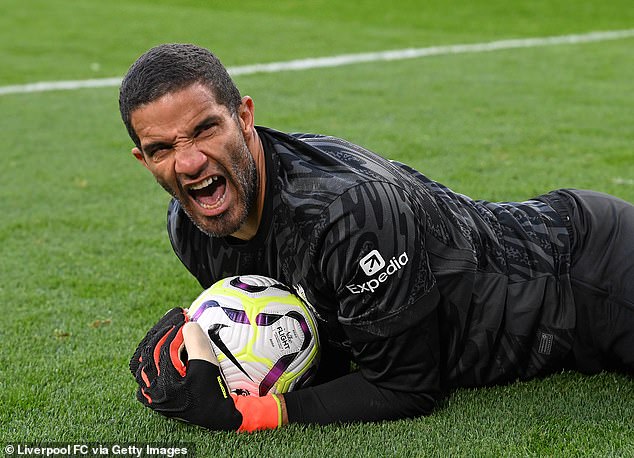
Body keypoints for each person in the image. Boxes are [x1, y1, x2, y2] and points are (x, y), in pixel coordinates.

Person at [120, 43, 634, 433]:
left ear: (246, 119)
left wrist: (251, 413)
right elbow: (323, 341)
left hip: (586, 270)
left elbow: (407, 386)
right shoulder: (190, 225)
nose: (188, 162)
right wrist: (211, 351)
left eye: (206, 129)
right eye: (163, 147)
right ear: (144, 160)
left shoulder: (346, 213)